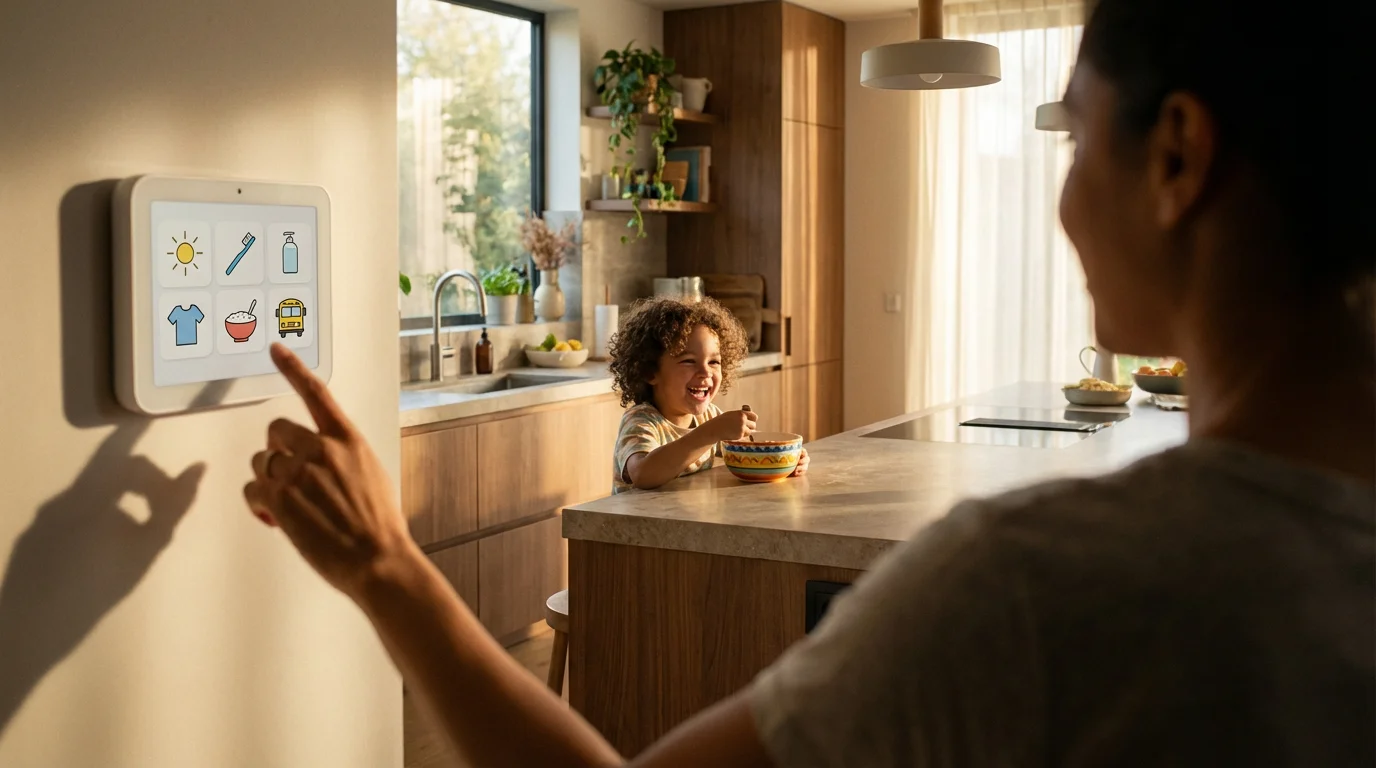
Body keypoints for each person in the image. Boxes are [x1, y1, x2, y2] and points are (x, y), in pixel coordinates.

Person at [243, 0, 1374, 763]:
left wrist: (389, 568)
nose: (1065, 203)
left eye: (1075, 141)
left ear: (1175, 156)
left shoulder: (1023, 585)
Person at [607, 296, 809, 492]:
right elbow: (643, 474)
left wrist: (786, 457)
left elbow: (749, 449)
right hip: (638, 516)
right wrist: (710, 433)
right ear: (650, 371)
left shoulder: (709, 416)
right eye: (688, 361)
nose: (705, 372)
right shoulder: (640, 421)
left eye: (714, 362)